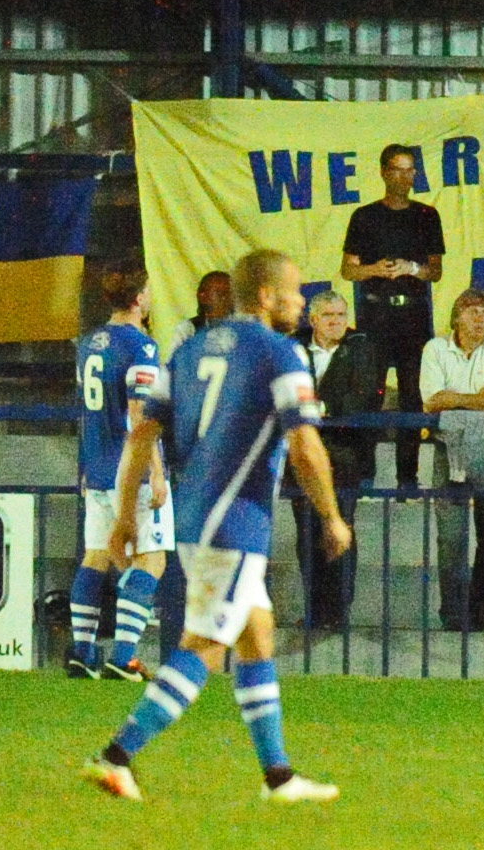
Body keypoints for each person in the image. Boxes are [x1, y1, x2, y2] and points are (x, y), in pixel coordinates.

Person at [82, 249, 349, 805]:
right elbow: (304, 444)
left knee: (257, 634)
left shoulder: (190, 349)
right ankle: (115, 756)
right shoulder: (280, 353)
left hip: (195, 512)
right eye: (295, 292)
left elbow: (142, 433)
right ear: (266, 296)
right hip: (236, 520)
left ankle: (279, 777)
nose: (301, 303)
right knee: (204, 646)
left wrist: (126, 515)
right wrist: (330, 515)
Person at [70, 265, 173, 680]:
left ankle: (82, 653)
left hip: (96, 467)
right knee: (152, 559)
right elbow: (139, 412)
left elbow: (86, 410)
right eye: (148, 290)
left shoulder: (89, 344)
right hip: (129, 472)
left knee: (96, 555)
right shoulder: (141, 346)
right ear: (139, 297)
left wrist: (86, 464)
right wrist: (156, 471)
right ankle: (124, 656)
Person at [342, 143, 445, 490]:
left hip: (413, 316)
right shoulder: (364, 216)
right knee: (368, 394)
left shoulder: (427, 215)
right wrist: (375, 269)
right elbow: (348, 270)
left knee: (413, 396)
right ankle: (364, 474)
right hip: (375, 315)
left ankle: (407, 477)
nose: (405, 177)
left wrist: (411, 268)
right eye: (398, 170)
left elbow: (435, 271)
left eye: (410, 170)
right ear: (384, 172)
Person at [419, 288, 484, 632]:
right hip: (448, 447)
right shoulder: (435, 348)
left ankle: (481, 615)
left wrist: (456, 399)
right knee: (450, 540)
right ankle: (454, 615)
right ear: (456, 318)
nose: (480, 318)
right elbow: (432, 401)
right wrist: (480, 398)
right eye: (472, 311)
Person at [294, 289, 383, 630]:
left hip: (346, 456)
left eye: (341, 315)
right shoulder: (295, 346)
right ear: (313, 319)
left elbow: (364, 396)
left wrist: (323, 408)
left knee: (340, 528)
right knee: (307, 532)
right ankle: (315, 610)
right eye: (328, 316)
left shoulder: (361, 348)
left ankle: (339, 611)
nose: (336, 322)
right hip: (302, 455)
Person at [166, 270, 232, 356]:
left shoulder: (242, 328)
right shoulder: (188, 330)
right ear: (203, 296)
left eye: (232, 295)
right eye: (221, 294)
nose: (228, 300)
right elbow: (176, 360)